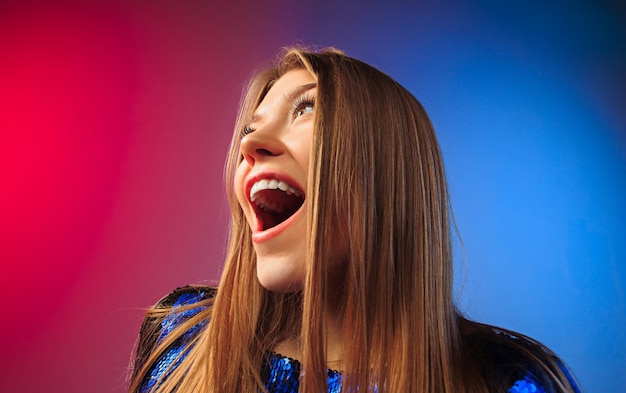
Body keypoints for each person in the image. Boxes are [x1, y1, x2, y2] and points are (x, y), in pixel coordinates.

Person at [128, 47, 581, 393]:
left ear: (385, 167)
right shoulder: (180, 339)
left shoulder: (507, 380)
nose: (252, 144)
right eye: (249, 128)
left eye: (306, 109)